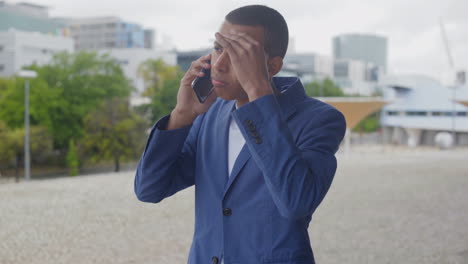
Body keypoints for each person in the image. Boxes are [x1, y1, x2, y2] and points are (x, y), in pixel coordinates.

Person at [135, 5, 346, 264]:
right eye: (218, 48)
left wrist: (258, 90)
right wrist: (181, 115)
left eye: (237, 54)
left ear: (273, 66)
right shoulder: (210, 115)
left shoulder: (320, 120)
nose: (219, 65)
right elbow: (149, 189)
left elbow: (295, 203)